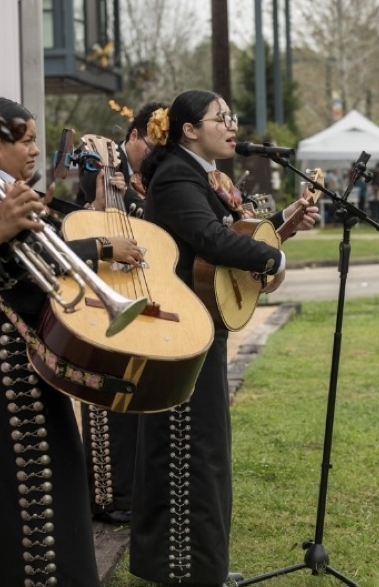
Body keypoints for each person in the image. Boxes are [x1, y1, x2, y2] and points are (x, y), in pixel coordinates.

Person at [129, 90, 318, 586]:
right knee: (190, 450)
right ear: (190, 129)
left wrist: (280, 228)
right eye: (221, 118)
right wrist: (272, 259)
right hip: (179, 329)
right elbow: (211, 241)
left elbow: (221, 242)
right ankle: (185, 570)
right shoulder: (176, 177)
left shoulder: (199, 176)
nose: (232, 126)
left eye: (232, 117)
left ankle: (197, 565)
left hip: (197, 324)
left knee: (202, 448)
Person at [0, 97, 141, 587]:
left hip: (32, 364)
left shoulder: (12, 193)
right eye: (27, 139)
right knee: (18, 516)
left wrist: (96, 213)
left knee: (53, 506)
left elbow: (48, 251)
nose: (36, 149)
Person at [73, 100, 166, 526]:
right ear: (131, 137)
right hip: (103, 285)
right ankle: (109, 496)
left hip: (140, 286)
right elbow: (91, 214)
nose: (155, 151)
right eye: (151, 142)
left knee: (138, 394)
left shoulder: (151, 179)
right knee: (105, 399)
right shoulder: (102, 164)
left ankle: (132, 491)